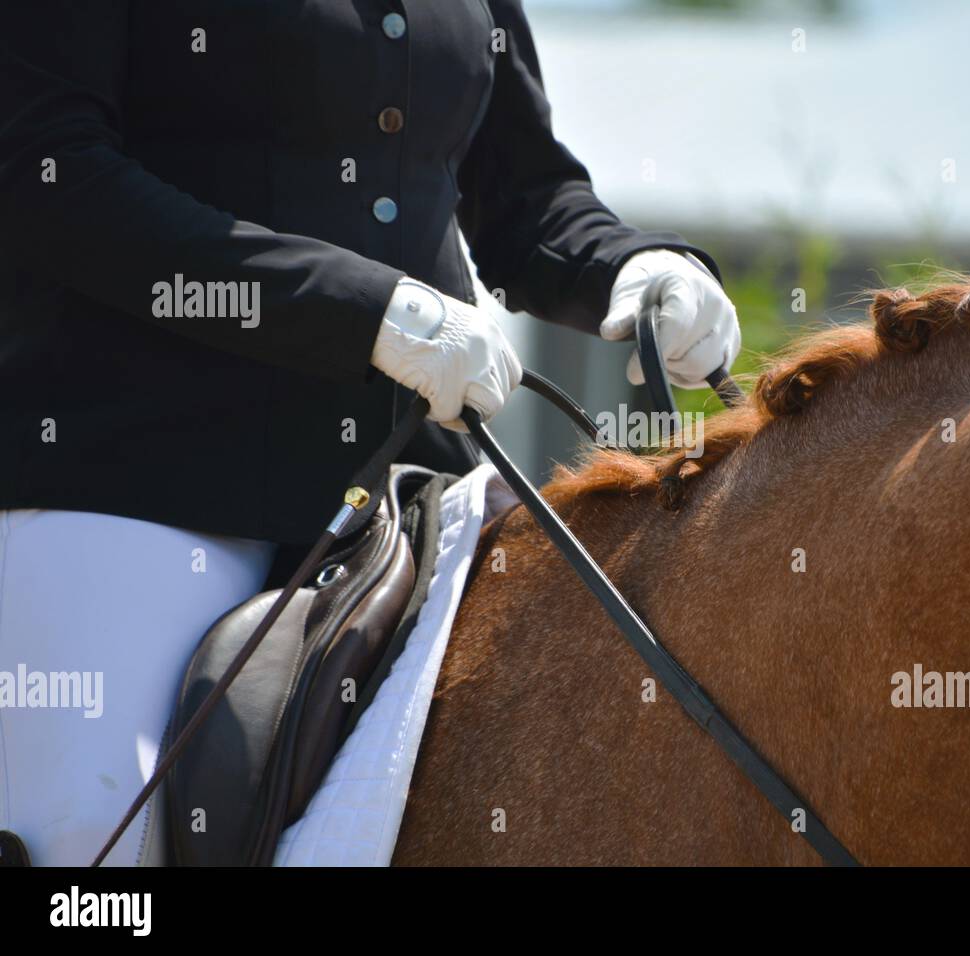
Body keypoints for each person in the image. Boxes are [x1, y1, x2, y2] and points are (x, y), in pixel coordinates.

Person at [0, 1, 739, 866]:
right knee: (93, 835)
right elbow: (44, 171)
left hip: (416, 480)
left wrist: (630, 264)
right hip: (144, 466)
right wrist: (363, 315)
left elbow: (522, 193)